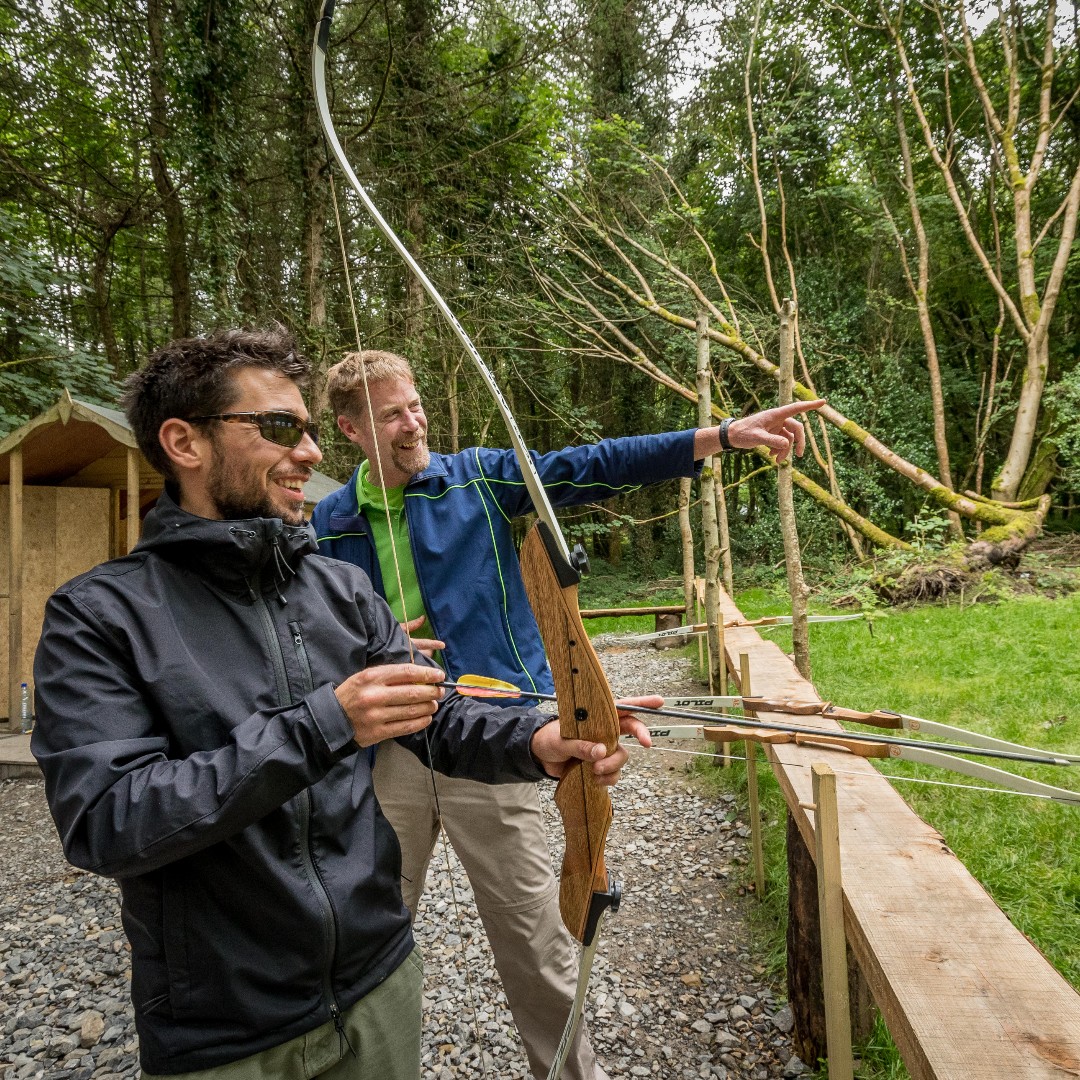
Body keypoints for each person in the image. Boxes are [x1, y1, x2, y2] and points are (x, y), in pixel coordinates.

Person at [30, 328, 653, 1080]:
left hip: (377, 985)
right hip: (227, 1027)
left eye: (312, 431)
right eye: (280, 428)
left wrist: (538, 739)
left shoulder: (337, 588)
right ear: (183, 443)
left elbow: (436, 713)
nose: (313, 453)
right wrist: (329, 722)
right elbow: (108, 820)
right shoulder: (98, 616)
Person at [311, 349, 824, 1080]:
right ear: (352, 429)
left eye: (416, 404)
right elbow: (307, 629)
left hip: (494, 737)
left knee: (536, 942)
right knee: (362, 936)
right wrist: (359, 660)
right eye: (391, 413)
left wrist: (724, 435)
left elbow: (588, 463)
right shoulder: (328, 521)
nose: (414, 422)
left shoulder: (479, 478)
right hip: (386, 749)